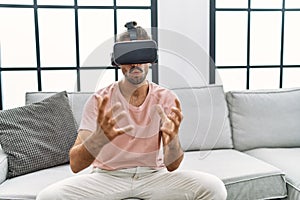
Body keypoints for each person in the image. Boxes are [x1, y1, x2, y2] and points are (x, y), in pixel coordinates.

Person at [37, 22, 227, 200]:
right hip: (107, 177)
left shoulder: (167, 99)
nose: (135, 64)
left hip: (154, 176)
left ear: (151, 60)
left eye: (141, 55)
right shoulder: (99, 100)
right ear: (117, 61)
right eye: (129, 56)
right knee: (48, 197)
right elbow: (76, 165)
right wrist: (100, 138)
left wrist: (172, 138)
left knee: (214, 187)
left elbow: (172, 166)